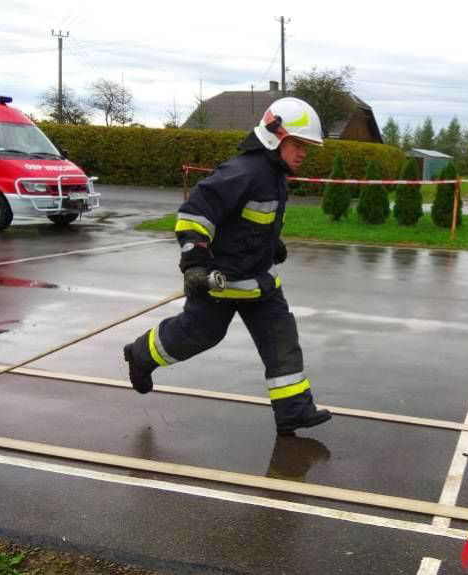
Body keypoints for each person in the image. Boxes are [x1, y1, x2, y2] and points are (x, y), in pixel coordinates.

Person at [123, 97, 332, 436]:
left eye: (307, 146)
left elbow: (247, 219)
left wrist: (268, 243)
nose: (304, 153)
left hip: (258, 282)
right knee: (198, 335)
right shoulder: (242, 171)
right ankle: (140, 356)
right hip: (217, 282)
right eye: (298, 144)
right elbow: (195, 214)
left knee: (281, 340)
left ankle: (294, 411)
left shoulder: (274, 173)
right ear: (275, 136)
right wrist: (193, 263)